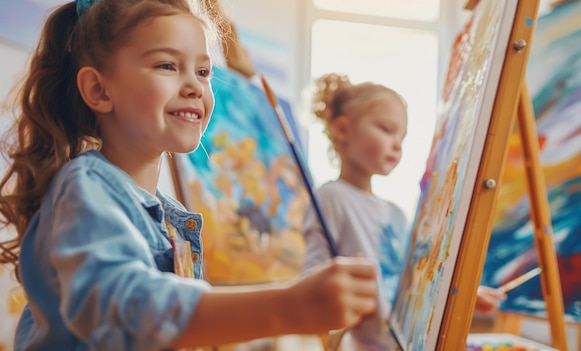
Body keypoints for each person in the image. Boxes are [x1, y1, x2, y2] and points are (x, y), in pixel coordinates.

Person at [0, 1, 379, 350]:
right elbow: (122, 308)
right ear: (99, 89)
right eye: (167, 65)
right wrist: (288, 305)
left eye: (203, 71)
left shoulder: (171, 215)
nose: (195, 86)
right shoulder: (85, 185)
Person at [301, 73, 506, 350]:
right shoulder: (330, 198)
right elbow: (311, 282)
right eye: (386, 129)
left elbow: (417, 281)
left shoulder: (396, 213)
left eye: (402, 136)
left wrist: (461, 296)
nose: (398, 144)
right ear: (342, 130)